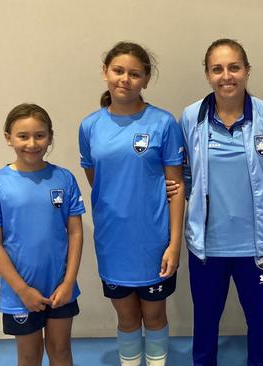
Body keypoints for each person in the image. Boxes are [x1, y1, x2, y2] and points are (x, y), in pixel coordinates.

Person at [178, 38, 263, 366]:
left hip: (255, 246)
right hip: (207, 247)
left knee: (259, 324)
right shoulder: (190, 117)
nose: (226, 76)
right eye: (217, 69)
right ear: (207, 75)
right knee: (205, 324)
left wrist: (261, 206)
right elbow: (185, 172)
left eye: (234, 67)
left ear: (247, 71)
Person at [78, 41, 184, 366]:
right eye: (118, 71)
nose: (125, 78)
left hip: (153, 242)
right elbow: (98, 179)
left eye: (134, 73)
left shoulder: (163, 123)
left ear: (146, 80)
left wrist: (174, 244)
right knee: (125, 318)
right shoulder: (89, 126)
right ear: (105, 73)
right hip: (113, 242)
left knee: (154, 316)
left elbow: (177, 187)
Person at [0, 103, 85, 366]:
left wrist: (68, 282)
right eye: (23, 136)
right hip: (19, 294)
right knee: (29, 356)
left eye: (40, 135)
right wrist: (22, 289)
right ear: (8, 138)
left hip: (60, 288)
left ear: (50, 136)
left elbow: (75, 233)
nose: (32, 143)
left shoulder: (64, 178)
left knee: (60, 351)